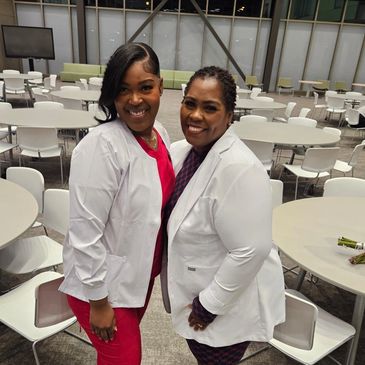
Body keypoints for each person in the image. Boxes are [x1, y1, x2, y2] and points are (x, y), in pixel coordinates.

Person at [59, 42, 175, 365]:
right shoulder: (102, 147)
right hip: (100, 289)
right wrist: (98, 301)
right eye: (123, 89)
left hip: (136, 279)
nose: (135, 99)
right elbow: (84, 232)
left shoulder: (161, 135)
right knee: (125, 359)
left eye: (145, 87)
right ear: (112, 94)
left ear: (161, 87)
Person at [162, 66, 285, 365]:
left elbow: (251, 250)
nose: (195, 115)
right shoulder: (182, 152)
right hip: (195, 292)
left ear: (230, 115)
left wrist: (208, 306)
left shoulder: (239, 168)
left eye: (210, 108)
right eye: (190, 103)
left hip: (223, 307)